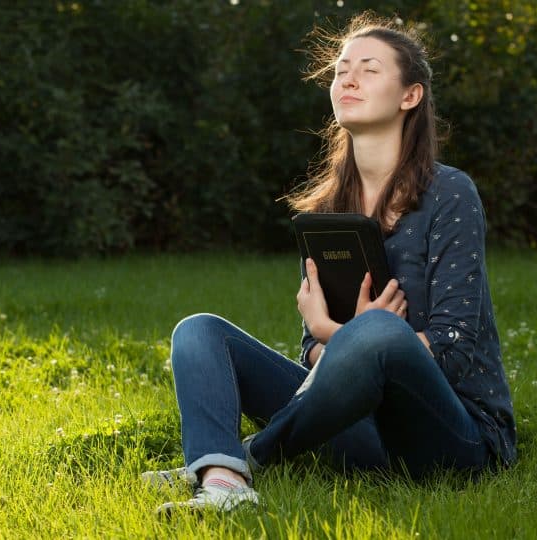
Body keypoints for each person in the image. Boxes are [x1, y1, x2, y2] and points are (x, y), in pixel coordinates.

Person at [142, 13, 516, 514]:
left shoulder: (450, 194)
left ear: (411, 96)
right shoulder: (326, 212)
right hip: (357, 435)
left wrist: (353, 337)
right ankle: (223, 484)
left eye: (369, 68)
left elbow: (454, 350)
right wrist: (328, 334)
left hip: (453, 437)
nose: (347, 78)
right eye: (340, 70)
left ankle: (246, 456)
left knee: (380, 331)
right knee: (199, 331)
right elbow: (312, 360)